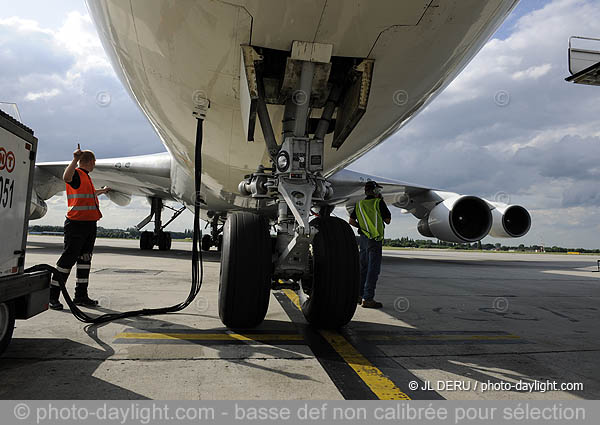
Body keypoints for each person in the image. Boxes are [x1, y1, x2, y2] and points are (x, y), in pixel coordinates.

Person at [49, 145, 110, 310]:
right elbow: (66, 177)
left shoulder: (86, 178)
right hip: (76, 224)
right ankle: (52, 296)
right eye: (94, 162)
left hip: (89, 225)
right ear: (90, 161)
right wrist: (75, 159)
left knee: (85, 260)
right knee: (67, 260)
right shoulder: (77, 174)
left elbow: (87, 195)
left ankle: (81, 296)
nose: (94, 165)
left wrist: (101, 191)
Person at [348, 180, 391, 309]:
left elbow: (351, 221)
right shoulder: (379, 202)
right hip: (375, 239)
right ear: (376, 191)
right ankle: (368, 299)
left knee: (363, 269)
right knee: (373, 270)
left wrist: (362, 227)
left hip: (363, 239)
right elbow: (387, 220)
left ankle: (358, 295)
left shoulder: (359, 204)